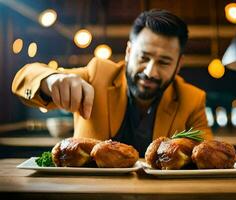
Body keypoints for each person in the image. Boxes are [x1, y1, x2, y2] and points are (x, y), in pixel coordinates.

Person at [12, 9, 213, 156]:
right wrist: (51, 80)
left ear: (178, 65)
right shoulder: (98, 74)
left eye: (164, 62)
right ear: (128, 52)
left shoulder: (192, 99)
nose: (150, 71)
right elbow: (24, 78)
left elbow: (207, 152)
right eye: (143, 57)